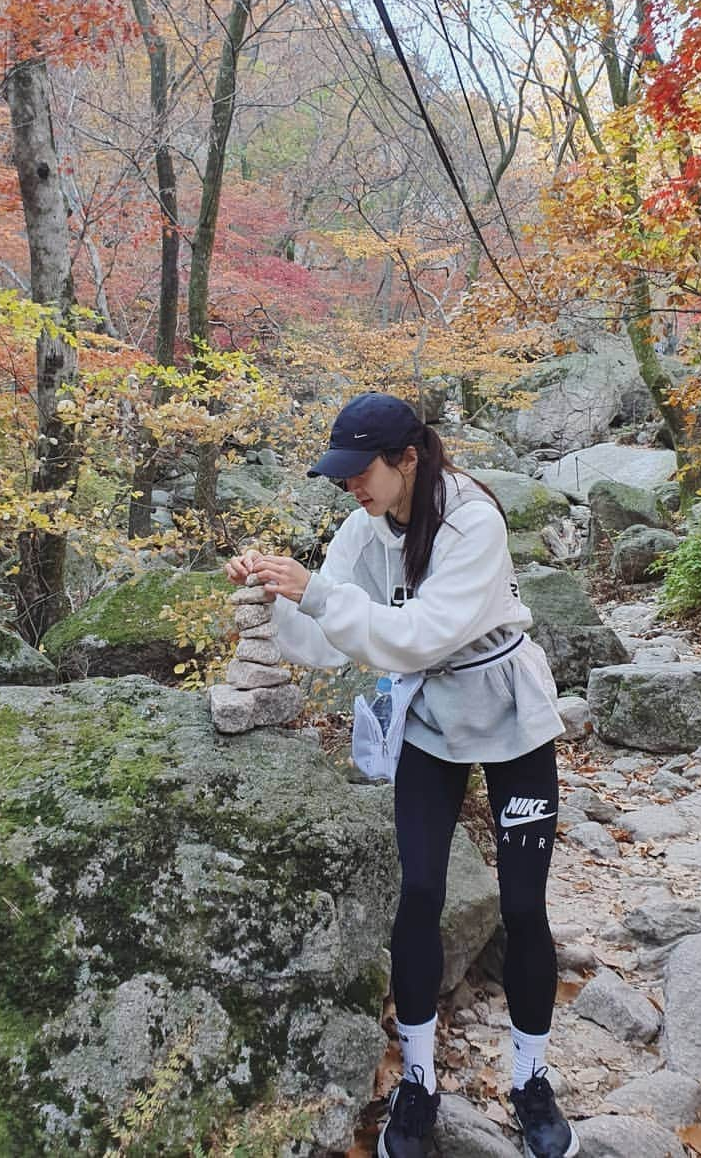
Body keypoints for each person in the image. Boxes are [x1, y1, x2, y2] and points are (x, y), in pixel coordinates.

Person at [225, 392, 578, 1158]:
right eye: (342, 474)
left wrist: (317, 591)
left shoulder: (471, 521)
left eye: (362, 471)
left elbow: (419, 635)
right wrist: (275, 592)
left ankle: (531, 1078)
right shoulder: (363, 526)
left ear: (408, 458)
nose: (350, 486)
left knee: (523, 904)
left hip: (509, 711)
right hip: (430, 718)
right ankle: (417, 1081)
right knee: (419, 891)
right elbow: (321, 642)